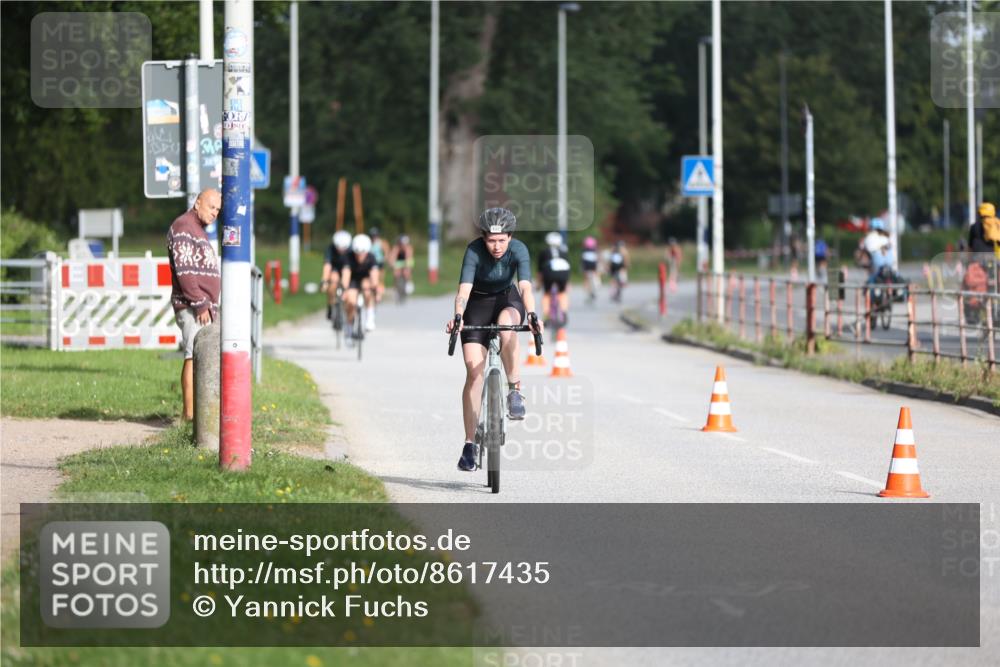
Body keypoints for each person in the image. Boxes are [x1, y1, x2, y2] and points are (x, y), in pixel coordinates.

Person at [444, 208, 542, 472]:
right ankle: (469, 445)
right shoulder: (474, 251)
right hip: (477, 303)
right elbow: (463, 290)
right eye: (491, 240)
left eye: (502, 240)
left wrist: (532, 314)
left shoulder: (519, 250)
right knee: (474, 371)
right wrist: (458, 315)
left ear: (510, 237)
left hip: (506, 300)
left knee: (507, 324)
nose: (496, 246)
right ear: (483, 238)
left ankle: (514, 391)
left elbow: (525, 287)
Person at [167, 188, 221, 421]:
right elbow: (185, 271)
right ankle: (190, 415)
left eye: (218, 209)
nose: (215, 213)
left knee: (201, 357)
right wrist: (200, 304)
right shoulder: (184, 227)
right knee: (193, 355)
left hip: (203, 306)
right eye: (211, 207)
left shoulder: (197, 229)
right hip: (192, 307)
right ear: (197, 202)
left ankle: (199, 413)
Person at [342, 234, 380, 338]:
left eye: (362, 253)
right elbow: (346, 274)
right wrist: (344, 290)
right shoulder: (348, 257)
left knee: (368, 289)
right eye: (357, 253)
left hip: (365, 279)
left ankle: (370, 317)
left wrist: (376, 290)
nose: (360, 256)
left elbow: (374, 275)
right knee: (351, 302)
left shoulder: (371, 258)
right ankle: (349, 326)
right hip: (352, 280)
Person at [537, 231, 571, 325]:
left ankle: (546, 315)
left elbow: (540, 271)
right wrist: (567, 283)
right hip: (563, 272)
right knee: (562, 293)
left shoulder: (544, 252)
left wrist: (539, 284)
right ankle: (563, 312)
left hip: (549, 272)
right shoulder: (564, 252)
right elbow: (568, 267)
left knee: (547, 294)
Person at [322, 230, 353, 319]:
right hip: (335, 269)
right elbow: (327, 265)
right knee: (332, 281)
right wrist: (324, 280)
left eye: (344, 248)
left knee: (347, 286)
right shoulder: (330, 249)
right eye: (339, 248)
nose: (341, 250)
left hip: (348, 269)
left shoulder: (351, 250)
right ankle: (330, 305)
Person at [368, 226, 390, 302]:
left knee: (380, 279)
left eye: (375, 235)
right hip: (370, 264)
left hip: (379, 263)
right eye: (372, 236)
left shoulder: (381, 243)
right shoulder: (368, 243)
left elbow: (386, 252)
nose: (374, 237)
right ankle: (371, 292)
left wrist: (385, 258)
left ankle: (379, 294)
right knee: (371, 278)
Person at [581, 236, 601, 303]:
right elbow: (597, 260)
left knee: (587, 281)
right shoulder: (595, 251)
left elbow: (583, 262)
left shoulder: (584, 251)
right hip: (594, 269)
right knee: (595, 280)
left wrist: (583, 270)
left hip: (587, 269)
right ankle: (594, 291)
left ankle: (589, 293)